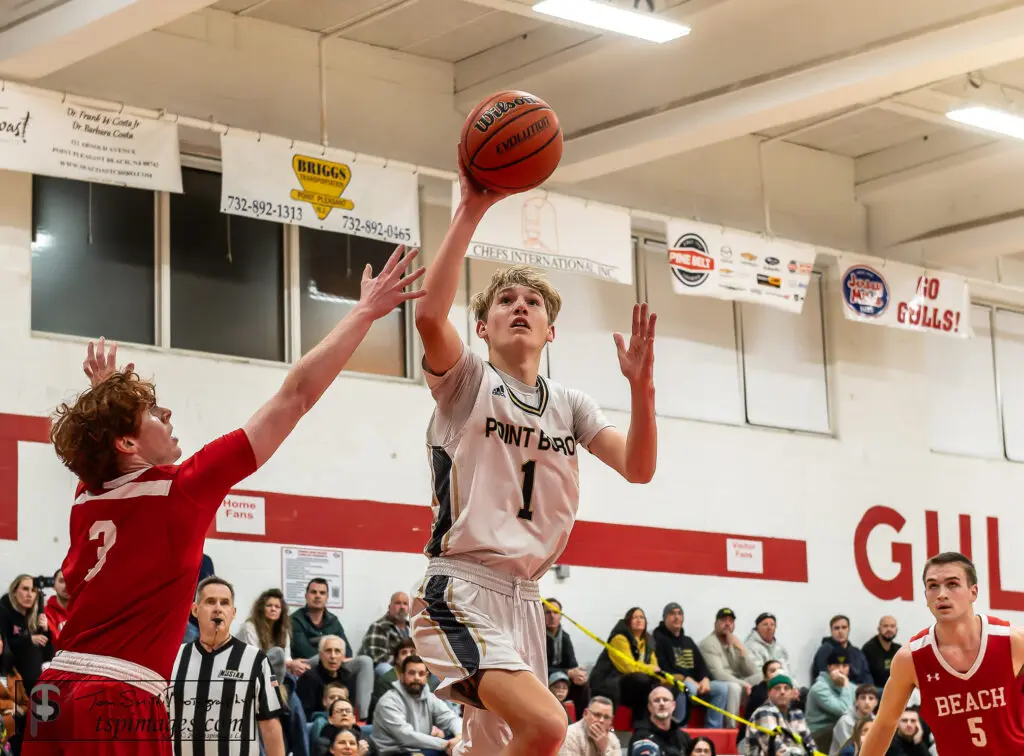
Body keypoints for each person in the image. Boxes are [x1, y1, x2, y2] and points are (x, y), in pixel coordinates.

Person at [23, 248, 424, 756]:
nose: (166, 412)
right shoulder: (182, 488)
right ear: (125, 442)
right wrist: (364, 313)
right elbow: (294, 396)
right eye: (150, 411)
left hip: (52, 694)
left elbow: (103, 453)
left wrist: (107, 399)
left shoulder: (86, 498)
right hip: (117, 696)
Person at [408, 152, 658, 756]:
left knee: (498, 749)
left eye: (533, 303)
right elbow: (428, 314)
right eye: (505, 302)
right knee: (548, 729)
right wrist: (470, 209)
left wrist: (641, 388)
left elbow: (639, 468)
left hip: (526, 600)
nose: (520, 306)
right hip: (461, 589)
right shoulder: (469, 382)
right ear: (484, 328)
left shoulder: (570, 404)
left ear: (552, 330)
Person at [859, 551, 1024, 755]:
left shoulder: (1013, 641)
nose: (941, 594)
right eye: (933, 586)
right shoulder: (910, 659)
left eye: (952, 584)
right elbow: (884, 724)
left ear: (974, 592)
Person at [168, 576, 284, 756]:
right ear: (195, 610)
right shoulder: (173, 657)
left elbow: (270, 725)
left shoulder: (256, 660)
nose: (218, 609)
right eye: (210, 602)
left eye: (224, 603)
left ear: (233, 612)